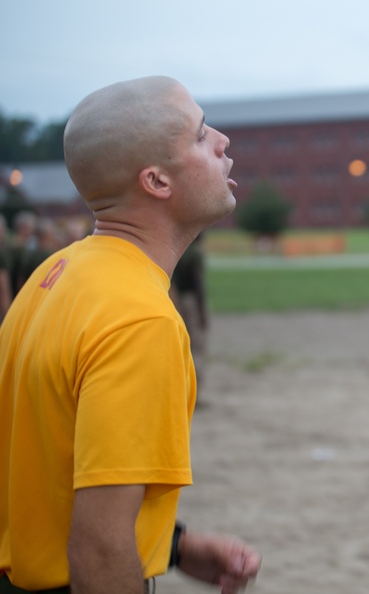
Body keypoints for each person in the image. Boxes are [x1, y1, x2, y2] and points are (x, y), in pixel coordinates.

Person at [0, 76, 261, 593]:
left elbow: (45, 477)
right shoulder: (141, 321)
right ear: (157, 182)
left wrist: (174, 546)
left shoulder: (53, 277)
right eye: (199, 133)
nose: (222, 142)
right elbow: (98, 547)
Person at [170, 233, 209, 390]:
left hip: (175, 299)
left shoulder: (178, 250)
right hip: (191, 300)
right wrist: (202, 311)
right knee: (197, 345)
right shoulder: (195, 253)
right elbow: (197, 282)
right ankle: (195, 389)